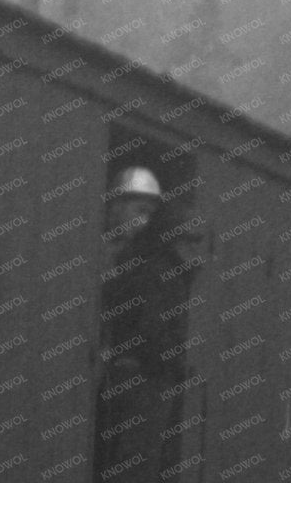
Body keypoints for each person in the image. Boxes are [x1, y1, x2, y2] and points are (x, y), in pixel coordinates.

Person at [93, 165, 207, 481]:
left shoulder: (141, 258)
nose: (143, 219)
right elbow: (150, 328)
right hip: (130, 373)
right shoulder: (108, 252)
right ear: (115, 205)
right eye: (138, 209)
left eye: (149, 212)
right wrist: (176, 363)